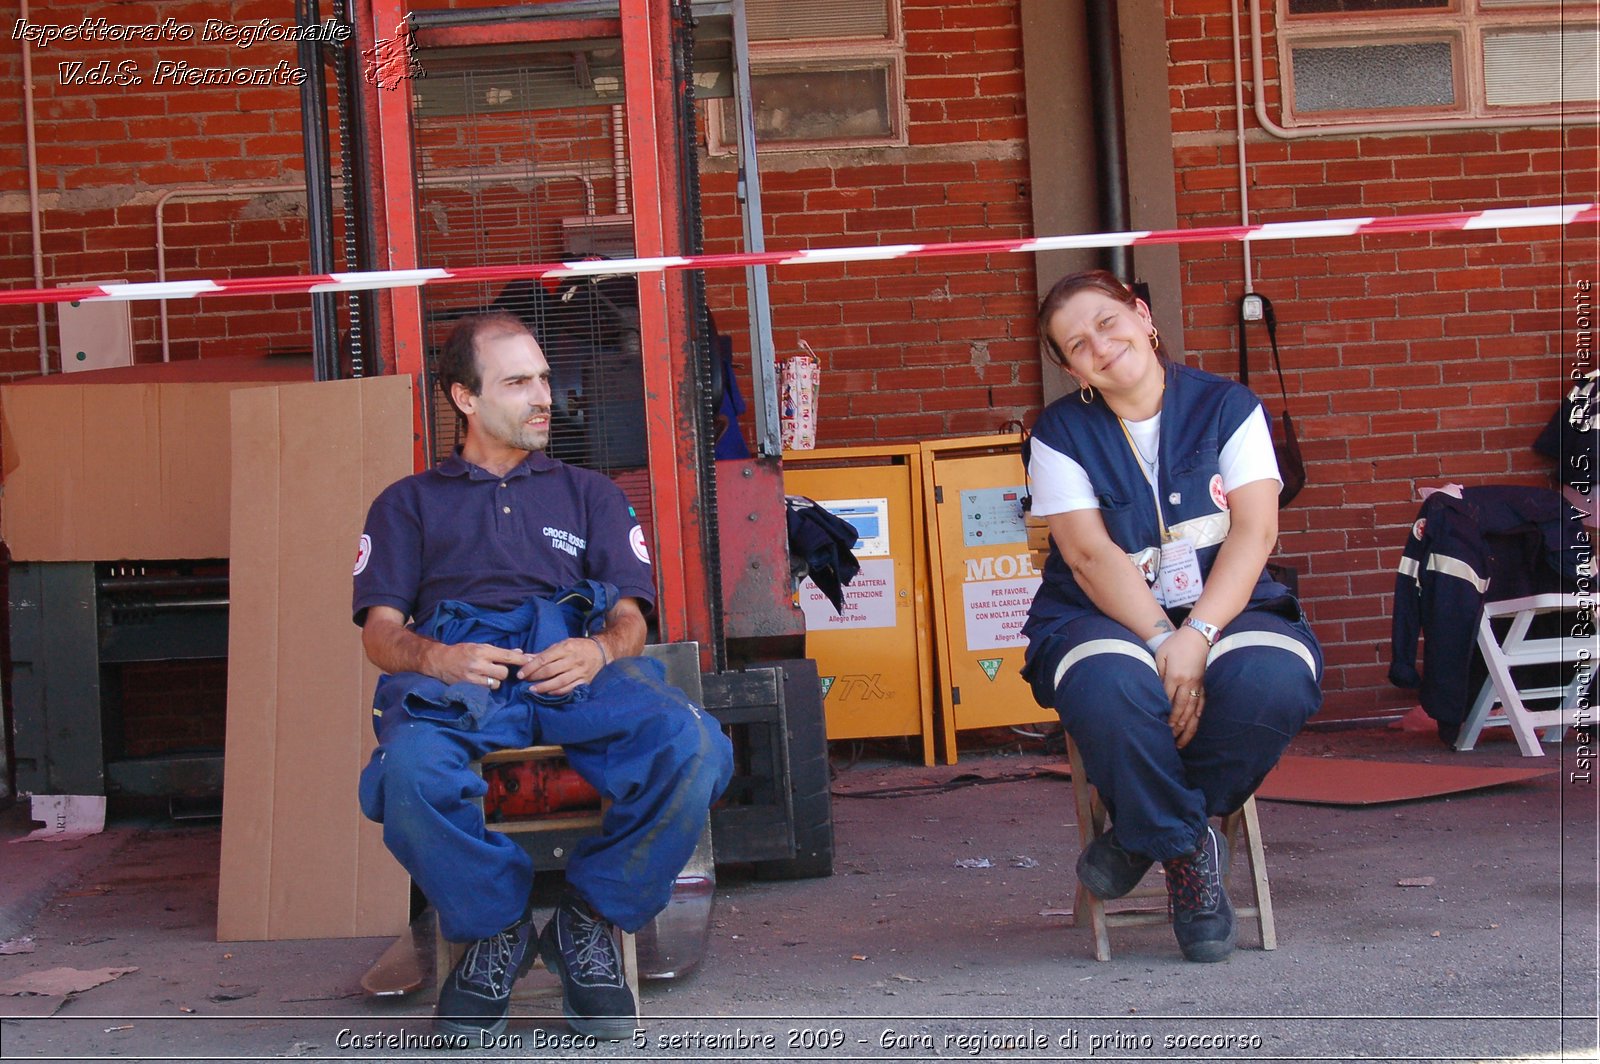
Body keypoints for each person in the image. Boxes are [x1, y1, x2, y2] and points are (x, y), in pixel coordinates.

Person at [352, 312, 733, 1039]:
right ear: (464, 398)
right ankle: (496, 930)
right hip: (462, 676)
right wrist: (438, 657)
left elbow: (631, 619)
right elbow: (380, 633)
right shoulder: (406, 504)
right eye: (519, 382)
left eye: (545, 380)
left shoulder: (591, 493)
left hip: (576, 665)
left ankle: (588, 920)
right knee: (407, 773)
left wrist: (599, 651)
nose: (543, 397)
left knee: (695, 748)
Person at [1021, 271, 1322, 963]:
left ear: (1142, 315)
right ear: (1070, 368)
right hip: (1102, 612)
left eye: (1106, 321)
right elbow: (1089, 554)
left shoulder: (1228, 406)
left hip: (1225, 603)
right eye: (1076, 343)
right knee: (1109, 688)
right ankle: (1189, 847)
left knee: (1274, 680)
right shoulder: (1060, 432)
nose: (1099, 344)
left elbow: (1255, 533)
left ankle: (1140, 832)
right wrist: (1162, 636)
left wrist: (1200, 635)